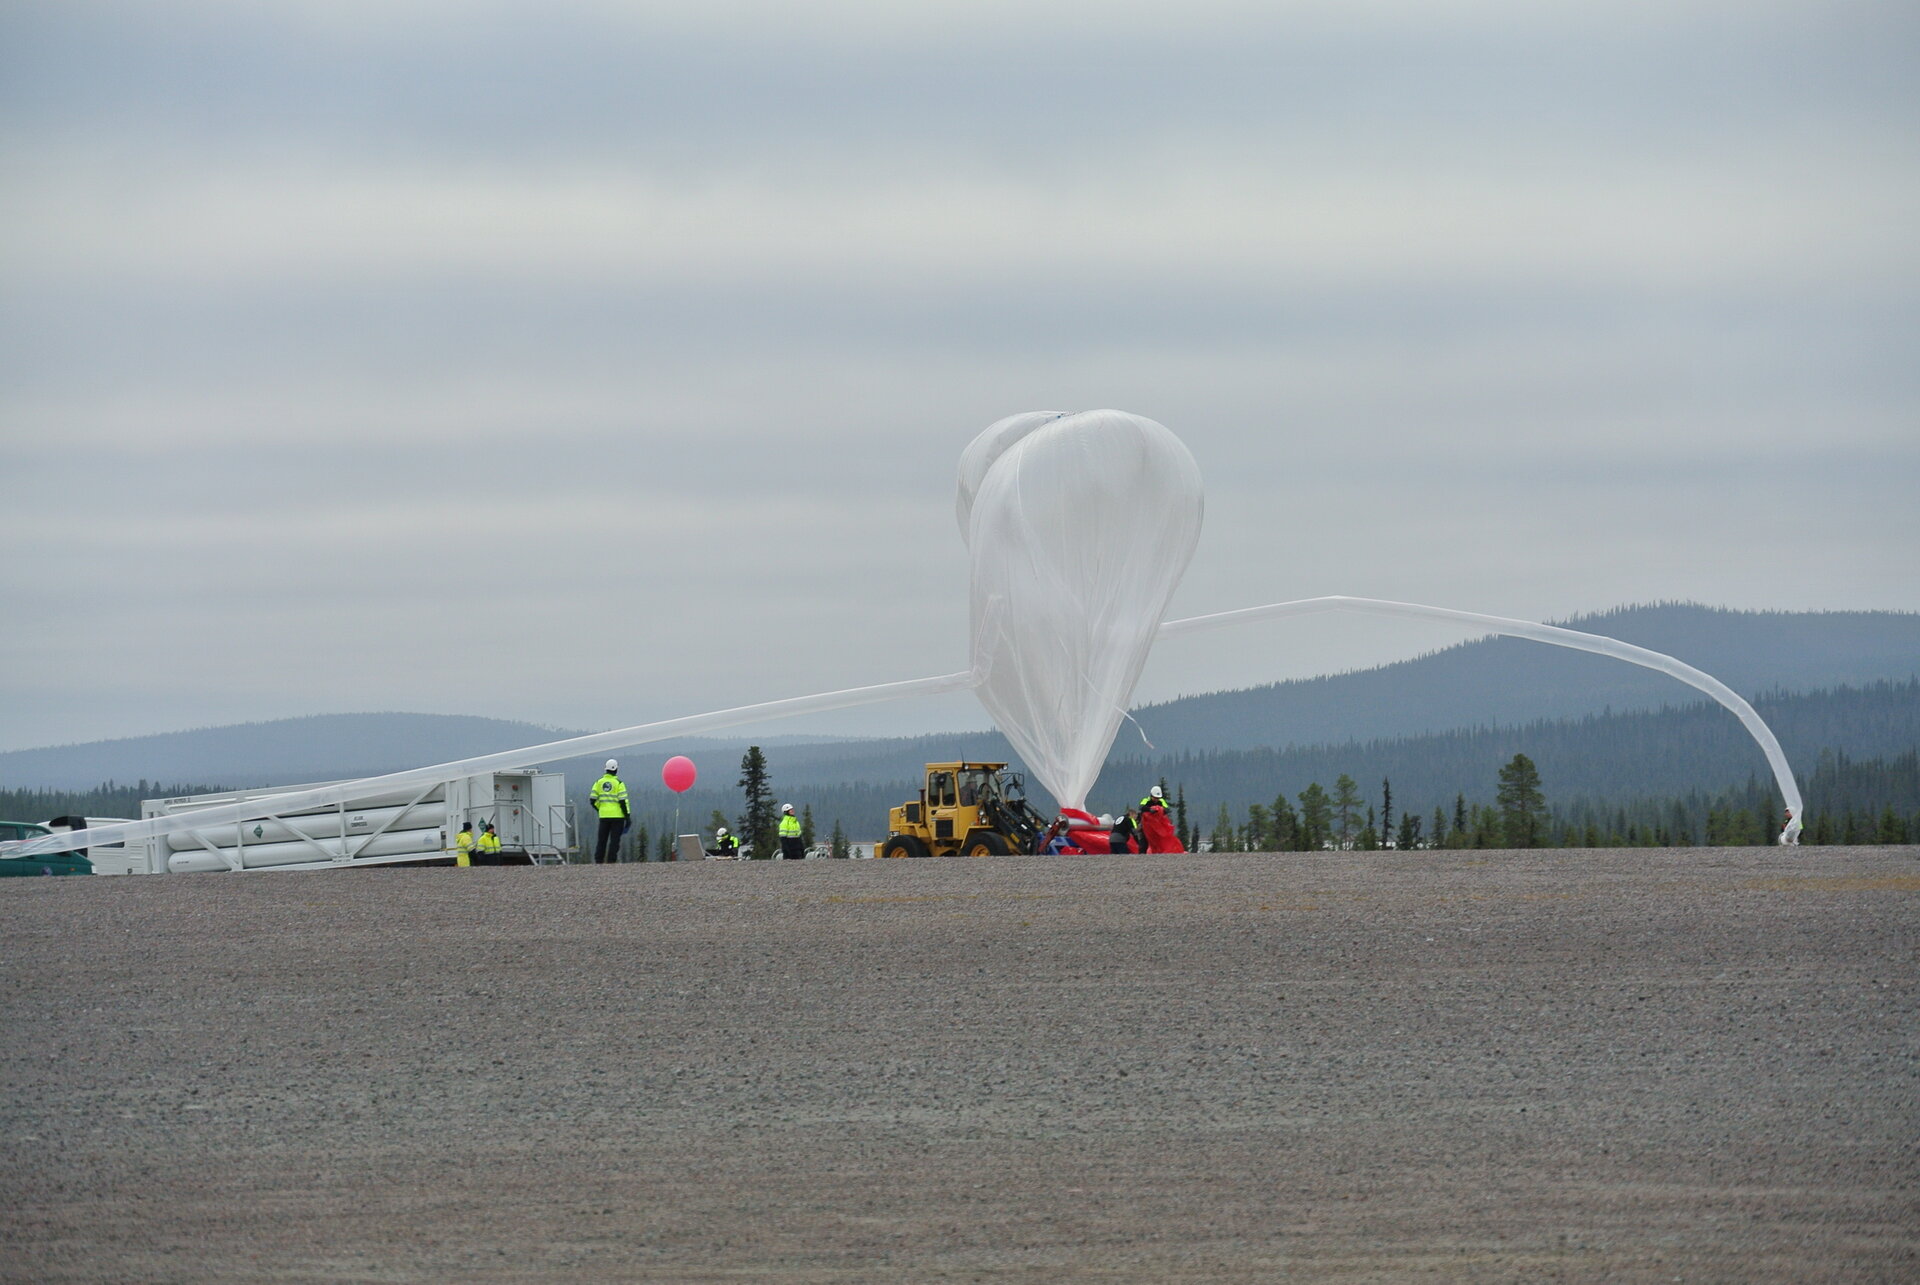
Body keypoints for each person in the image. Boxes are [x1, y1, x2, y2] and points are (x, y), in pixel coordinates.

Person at [590, 759, 630, 864]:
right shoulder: (619, 783)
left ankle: (598, 861)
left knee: (602, 840)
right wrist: (627, 817)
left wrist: (600, 808)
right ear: (616, 769)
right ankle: (611, 862)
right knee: (614, 841)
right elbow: (623, 802)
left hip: (604, 816)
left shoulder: (598, 782)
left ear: (606, 769)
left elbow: (592, 800)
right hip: (618, 816)